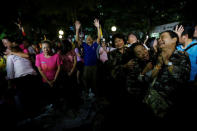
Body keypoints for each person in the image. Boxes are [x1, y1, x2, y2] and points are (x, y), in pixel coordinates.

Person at [145, 30, 190, 121]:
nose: (159, 39)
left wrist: (167, 62)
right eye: (159, 38)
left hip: (168, 105)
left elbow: (182, 78)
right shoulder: (156, 56)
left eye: (163, 37)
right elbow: (147, 77)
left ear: (174, 39)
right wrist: (158, 65)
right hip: (150, 101)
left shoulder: (181, 56)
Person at [75, 19, 101, 97]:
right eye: (87, 38)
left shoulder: (95, 45)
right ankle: (86, 90)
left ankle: (94, 91)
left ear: (92, 40)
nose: (88, 38)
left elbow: (99, 37)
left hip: (94, 66)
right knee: (85, 79)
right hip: (86, 66)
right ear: (85, 40)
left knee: (94, 79)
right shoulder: (84, 45)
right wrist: (77, 29)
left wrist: (97, 27)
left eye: (90, 38)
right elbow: (77, 40)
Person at [35, 40, 62, 107]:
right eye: (44, 48)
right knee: (48, 97)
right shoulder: (38, 57)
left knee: (56, 96)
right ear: (41, 48)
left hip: (56, 80)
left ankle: (57, 108)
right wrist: (48, 81)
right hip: (45, 81)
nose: (46, 49)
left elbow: (59, 68)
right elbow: (40, 70)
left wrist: (55, 79)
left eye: (47, 47)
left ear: (50, 48)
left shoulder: (56, 56)